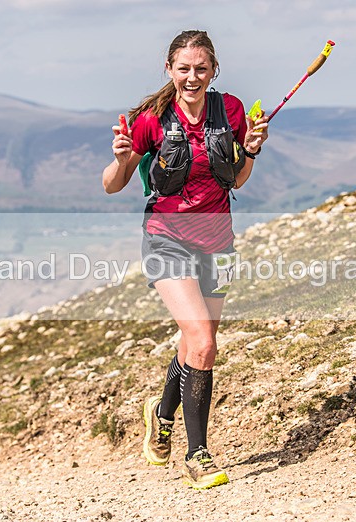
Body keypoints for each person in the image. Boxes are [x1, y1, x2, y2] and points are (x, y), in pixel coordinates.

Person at [101, 30, 268, 489]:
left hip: (217, 242)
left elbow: (235, 179)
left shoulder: (231, 110)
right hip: (166, 240)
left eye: (201, 68)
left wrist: (251, 147)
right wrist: (120, 159)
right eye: (183, 68)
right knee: (202, 340)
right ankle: (198, 456)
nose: (192, 77)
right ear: (169, 70)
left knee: (196, 344)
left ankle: (160, 412)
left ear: (213, 70)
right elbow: (112, 185)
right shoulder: (150, 120)